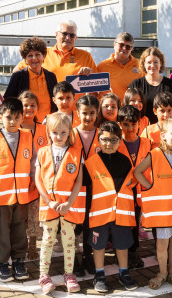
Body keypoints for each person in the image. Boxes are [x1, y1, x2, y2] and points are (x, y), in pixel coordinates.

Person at [0, 98, 37, 282]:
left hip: (22, 193)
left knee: (20, 229)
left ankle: (19, 261)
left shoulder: (28, 136)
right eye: (8, 117)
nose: (12, 121)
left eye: (16, 117)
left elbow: (34, 161)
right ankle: (2, 263)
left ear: (22, 118)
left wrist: (34, 178)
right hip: (1, 195)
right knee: (1, 231)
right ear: (1, 117)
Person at [134, 117, 172, 290]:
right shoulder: (155, 154)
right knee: (162, 244)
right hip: (163, 212)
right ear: (163, 135)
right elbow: (138, 172)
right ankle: (162, 273)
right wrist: (151, 187)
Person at [84, 121, 138, 293]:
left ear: (120, 141)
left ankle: (124, 272)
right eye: (105, 139)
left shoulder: (126, 162)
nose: (108, 143)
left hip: (121, 213)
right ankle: (99, 275)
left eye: (113, 140)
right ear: (98, 140)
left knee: (122, 244)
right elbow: (85, 191)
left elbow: (132, 186)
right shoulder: (90, 163)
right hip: (99, 214)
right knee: (98, 245)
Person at [35, 112, 84, 294]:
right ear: (48, 132)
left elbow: (78, 180)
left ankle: (69, 274)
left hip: (68, 207)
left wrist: (69, 203)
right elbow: (38, 180)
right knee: (47, 240)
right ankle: (43, 275)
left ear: (69, 132)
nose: (59, 137)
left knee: (69, 242)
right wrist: (49, 202)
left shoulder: (76, 153)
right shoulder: (42, 152)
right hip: (49, 206)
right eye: (55, 133)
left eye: (63, 133)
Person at [13, 20, 97, 97]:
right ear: (56, 34)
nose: (68, 38)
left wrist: (89, 74)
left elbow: (96, 88)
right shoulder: (42, 54)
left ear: (76, 38)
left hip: (76, 111)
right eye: (64, 34)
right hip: (50, 110)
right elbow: (17, 71)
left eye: (72, 35)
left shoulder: (85, 56)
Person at [116, 105, 152, 269]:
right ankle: (122, 252)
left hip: (139, 193)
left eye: (133, 124)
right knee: (122, 224)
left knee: (135, 223)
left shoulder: (147, 143)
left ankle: (133, 252)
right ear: (120, 124)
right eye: (125, 124)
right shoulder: (116, 144)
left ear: (139, 124)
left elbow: (149, 167)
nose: (130, 128)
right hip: (123, 193)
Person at [18, 91, 48, 260]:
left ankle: (32, 245)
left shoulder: (44, 129)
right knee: (20, 215)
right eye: (25, 105)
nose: (28, 108)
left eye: (32, 105)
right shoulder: (14, 127)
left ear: (37, 108)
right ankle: (20, 244)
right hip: (20, 180)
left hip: (38, 180)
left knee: (35, 215)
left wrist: (38, 178)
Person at [72, 95, 99, 276]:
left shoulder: (102, 134)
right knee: (74, 225)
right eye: (84, 113)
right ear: (77, 113)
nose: (88, 117)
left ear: (97, 113)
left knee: (91, 223)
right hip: (75, 187)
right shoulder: (71, 133)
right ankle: (74, 258)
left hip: (95, 188)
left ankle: (88, 255)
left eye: (91, 113)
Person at [4, 37, 57, 122]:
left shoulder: (51, 76)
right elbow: (8, 100)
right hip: (25, 125)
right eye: (30, 55)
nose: (34, 58)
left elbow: (56, 101)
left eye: (37, 54)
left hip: (48, 124)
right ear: (25, 59)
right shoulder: (18, 76)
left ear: (43, 56)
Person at [129, 47, 172, 124]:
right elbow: (128, 109)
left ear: (161, 63)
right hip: (141, 130)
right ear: (144, 64)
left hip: (167, 130)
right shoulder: (135, 84)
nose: (152, 65)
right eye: (149, 62)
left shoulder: (171, 85)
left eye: (156, 62)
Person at [96, 32, 144, 101]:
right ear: (115, 45)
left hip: (131, 110)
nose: (124, 48)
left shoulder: (140, 65)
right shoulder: (102, 66)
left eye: (128, 47)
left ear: (131, 49)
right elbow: (93, 91)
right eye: (121, 45)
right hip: (109, 110)